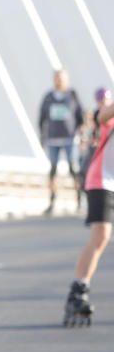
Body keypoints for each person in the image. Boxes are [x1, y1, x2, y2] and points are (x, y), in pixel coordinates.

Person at [64, 96, 114, 326]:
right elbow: (101, 116)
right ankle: (79, 288)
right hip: (102, 180)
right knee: (101, 234)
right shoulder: (109, 116)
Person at [40, 68, 85, 216]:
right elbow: (42, 118)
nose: (59, 80)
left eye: (62, 78)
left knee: (73, 169)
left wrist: (81, 133)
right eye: (57, 78)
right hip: (53, 138)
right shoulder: (48, 97)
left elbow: (80, 116)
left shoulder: (72, 96)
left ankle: (79, 201)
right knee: (53, 171)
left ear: (67, 80)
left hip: (69, 138)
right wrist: (43, 137)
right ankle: (52, 201)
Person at [78, 87, 113, 210]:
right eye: (101, 100)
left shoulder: (109, 113)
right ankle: (84, 197)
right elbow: (91, 129)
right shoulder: (97, 113)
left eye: (106, 99)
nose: (104, 102)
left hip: (104, 150)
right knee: (83, 171)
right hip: (96, 148)